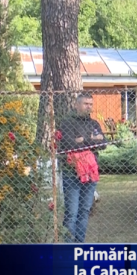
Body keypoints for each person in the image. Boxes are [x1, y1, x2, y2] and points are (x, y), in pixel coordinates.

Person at [58, 92, 106, 243]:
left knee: (84, 211)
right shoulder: (67, 123)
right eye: (85, 104)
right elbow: (68, 145)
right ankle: (68, 246)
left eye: (90, 104)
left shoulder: (94, 124)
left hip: (90, 173)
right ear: (76, 105)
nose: (89, 107)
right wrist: (91, 140)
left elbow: (103, 144)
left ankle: (79, 244)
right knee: (72, 212)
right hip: (71, 173)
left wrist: (82, 141)